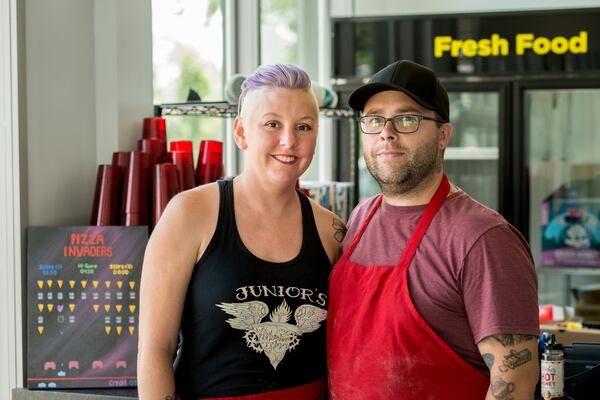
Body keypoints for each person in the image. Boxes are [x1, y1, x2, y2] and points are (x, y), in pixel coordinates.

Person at [327, 60, 539, 399]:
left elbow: (516, 381)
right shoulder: (359, 219)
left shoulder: (483, 237)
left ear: (443, 135)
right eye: (374, 119)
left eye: (407, 119)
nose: (386, 132)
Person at [138, 64, 345, 400]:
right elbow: (155, 349)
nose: (289, 141)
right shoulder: (189, 214)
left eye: (303, 127)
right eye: (272, 124)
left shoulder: (331, 230)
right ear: (241, 132)